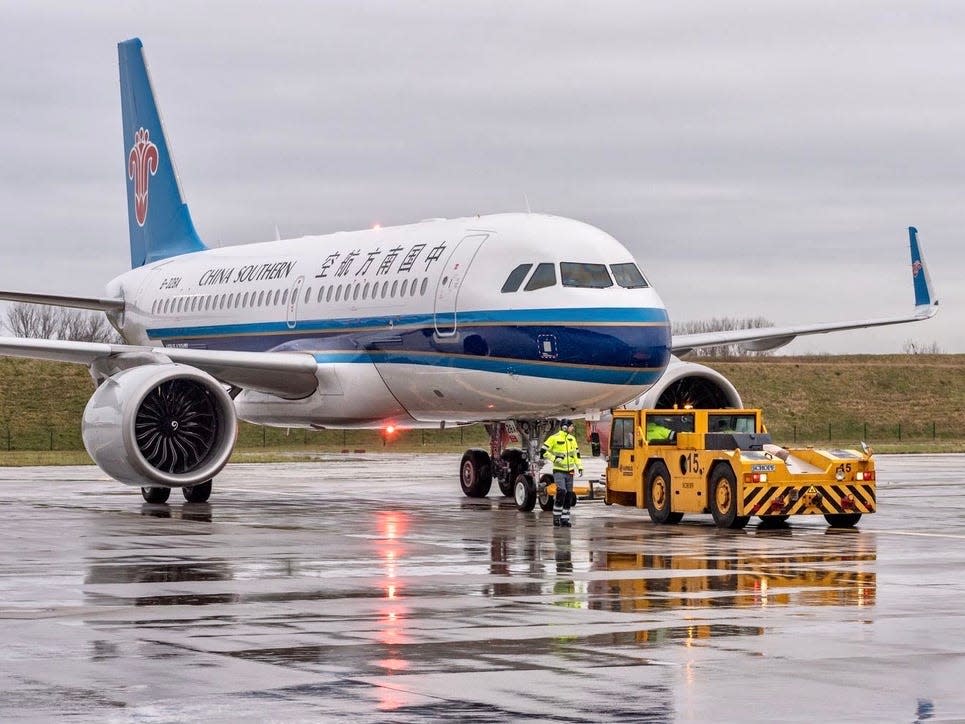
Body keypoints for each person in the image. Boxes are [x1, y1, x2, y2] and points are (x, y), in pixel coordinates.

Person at [541, 419, 583, 527]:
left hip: (570, 471)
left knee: (569, 495)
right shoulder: (554, 438)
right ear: (565, 427)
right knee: (561, 492)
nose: (572, 428)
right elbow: (543, 451)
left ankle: (565, 519)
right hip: (559, 470)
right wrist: (554, 458)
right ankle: (556, 518)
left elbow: (576, 455)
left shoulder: (572, 439)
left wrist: (580, 467)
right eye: (571, 426)